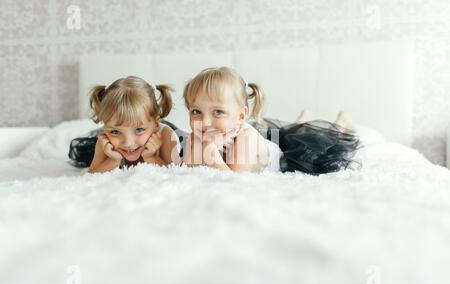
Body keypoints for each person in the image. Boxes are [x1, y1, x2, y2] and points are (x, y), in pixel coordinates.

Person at [181, 67, 361, 174]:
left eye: (218, 112)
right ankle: (299, 122)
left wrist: (210, 154)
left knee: (319, 142)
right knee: (294, 131)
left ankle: (342, 124)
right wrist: (199, 148)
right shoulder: (198, 135)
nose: (203, 122)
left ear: (241, 116)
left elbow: (233, 181)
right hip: (268, 142)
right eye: (196, 111)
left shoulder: (246, 138)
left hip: (286, 156)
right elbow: (188, 172)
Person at [68, 76, 181, 173]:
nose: (128, 143)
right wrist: (112, 161)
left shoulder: (166, 136)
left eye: (139, 130)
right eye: (115, 131)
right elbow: (92, 175)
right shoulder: (105, 140)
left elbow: (173, 174)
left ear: (156, 124)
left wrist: (152, 157)